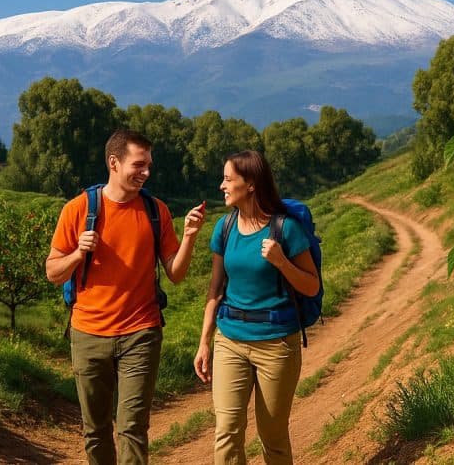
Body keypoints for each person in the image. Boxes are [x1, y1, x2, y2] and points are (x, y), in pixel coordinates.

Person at [46, 129, 206, 465]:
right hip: (88, 334)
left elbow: (175, 274)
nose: (146, 172)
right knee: (96, 430)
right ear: (114, 163)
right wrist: (78, 254)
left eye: (148, 165)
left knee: (133, 428)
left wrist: (189, 236)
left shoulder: (155, 211)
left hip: (141, 332)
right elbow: (53, 271)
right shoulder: (78, 210)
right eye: (139, 165)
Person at [193, 150, 320, 464]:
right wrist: (204, 341)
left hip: (276, 345)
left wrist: (281, 262)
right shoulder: (224, 227)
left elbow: (311, 285)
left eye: (228, 179)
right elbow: (215, 289)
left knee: (273, 437)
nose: (222, 185)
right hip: (230, 340)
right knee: (226, 431)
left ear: (250, 185)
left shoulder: (285, 229)